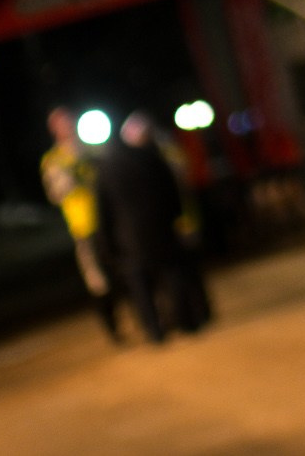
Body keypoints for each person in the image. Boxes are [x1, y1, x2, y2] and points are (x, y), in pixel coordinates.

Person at [95, 110, 210, 344]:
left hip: (128, 238)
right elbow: (172, 191)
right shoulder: (152, 157)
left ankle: (155, 332)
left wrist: (106, 244)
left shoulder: (106, 168)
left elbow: (103, 209)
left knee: (141, 287)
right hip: (161, 229)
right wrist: (176, 219)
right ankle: (184, 320)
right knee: (172, 274)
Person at [39, 106, 119, 342]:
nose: (66, 125)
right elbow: (54, 194)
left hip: (110, 219)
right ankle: (112, 328)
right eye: (60, 122)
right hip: (83, 228)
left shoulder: (93, 147)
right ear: (52, 129)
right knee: (98, 281)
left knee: (126, 268)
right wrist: (71, 175)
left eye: (68, 120)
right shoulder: (53, 160)